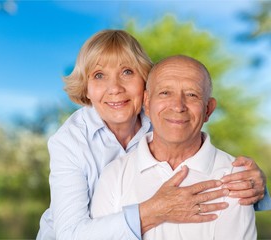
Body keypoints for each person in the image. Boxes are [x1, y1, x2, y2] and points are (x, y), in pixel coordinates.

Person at [37, 30, 269, 240]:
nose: (115, 88)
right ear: (86, 87)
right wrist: (154, 211)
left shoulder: (161, 117)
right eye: (98, 75)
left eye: (127, 72)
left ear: (144, 83)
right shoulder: (70, 141)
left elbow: (198, 141)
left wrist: (255, 188)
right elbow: (70, 234)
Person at [90, 55, 259, 239]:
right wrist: (154, 212)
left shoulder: (236, 179)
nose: (178, 106)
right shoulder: (114, 175)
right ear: (147, 102)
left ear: (208, 109)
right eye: (165, 93)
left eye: (192, 95)